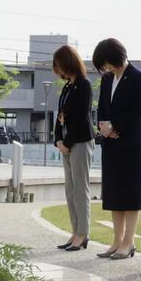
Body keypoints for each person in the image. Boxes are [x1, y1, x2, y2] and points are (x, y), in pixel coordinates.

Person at [93, 38, 141, 259]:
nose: (104, 67)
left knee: (130, 193)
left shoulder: (138, 77)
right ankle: (116, 240)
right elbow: (101, 108)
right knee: (114, 193)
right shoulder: (107, 79)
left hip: (130, 144)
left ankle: (129, 241)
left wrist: (114, 125)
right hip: (111, 143)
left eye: (105, 62)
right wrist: (103, 126)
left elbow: (138, 110)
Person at [52, 45, 95, 251]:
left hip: (80, 142)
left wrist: (67, 143)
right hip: (67, 143)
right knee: (70, 189)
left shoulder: (84, 85)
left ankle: (83, 233)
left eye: (60, 65)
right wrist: (58, 140)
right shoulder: (68, 86)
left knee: (80, 189)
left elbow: (81, 118)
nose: (58, 69)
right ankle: (75, 230)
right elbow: (60, 115)